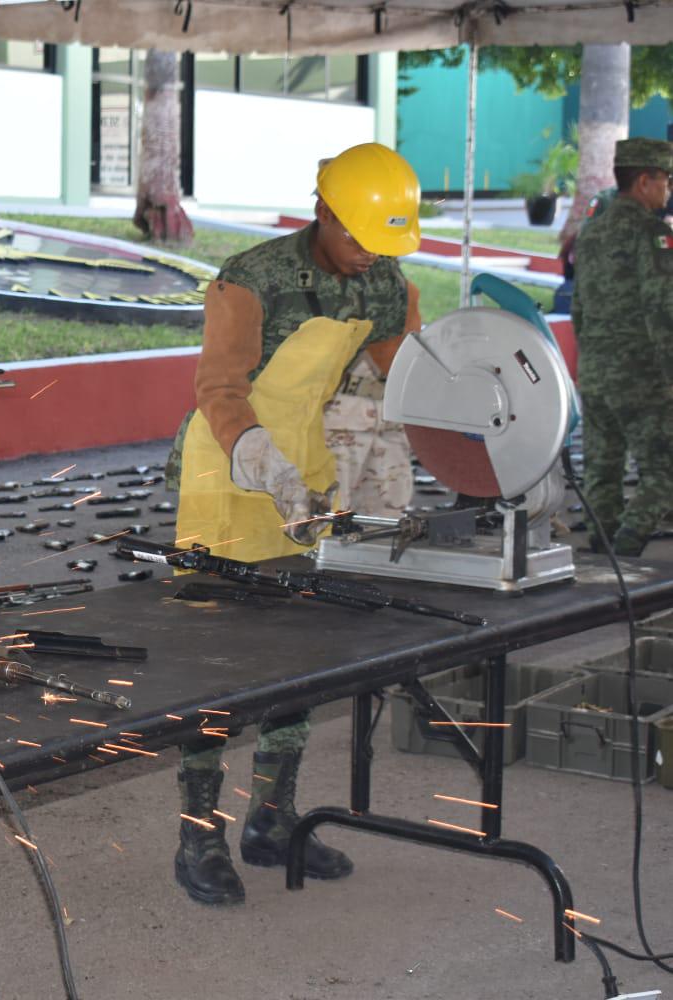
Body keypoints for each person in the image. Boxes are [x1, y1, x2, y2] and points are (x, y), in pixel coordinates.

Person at [166, 142, 424, 906]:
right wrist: (263, 466)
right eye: (358, 237)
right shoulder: (253, 279)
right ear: (323, 212)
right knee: (214, 669)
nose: (370, 254)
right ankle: (198, 836)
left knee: (297, 656)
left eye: (383, 241)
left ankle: (272, 821)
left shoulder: (384, 278)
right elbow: (219, 386)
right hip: (228, 465)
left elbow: (401, 372)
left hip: (307, 471)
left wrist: (404, 464)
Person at [570, 137, 673, 557]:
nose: (668, 189)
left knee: (602, 466)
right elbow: (661, 308)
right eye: (666, 179)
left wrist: (590, 358)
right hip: (641, 373)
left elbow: (578, 306)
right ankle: (627, 545)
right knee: (662, 470)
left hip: (595, 370)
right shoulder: (653, 232)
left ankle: (602, 550)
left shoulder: (591, 232)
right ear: (646, 181)